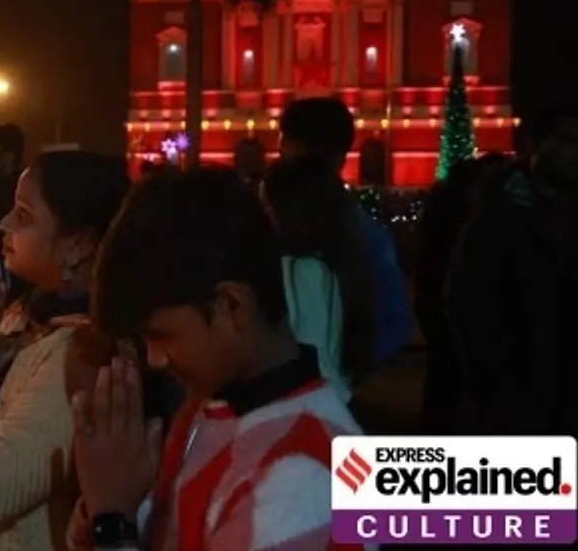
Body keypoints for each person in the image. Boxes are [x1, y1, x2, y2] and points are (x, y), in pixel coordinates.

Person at [74, 167, 362, 550]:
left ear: (232, 307)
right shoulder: (211, 406)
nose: (155, 359)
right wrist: (107, 498)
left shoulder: (304, 477)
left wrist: (111, 522)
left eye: (162, 336)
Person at [0, 151, 132, 550]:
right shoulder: (27, 314)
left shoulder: (85, 355)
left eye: (23, 216)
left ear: (76, 245)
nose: (3, 224)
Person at [446, 105, 578, 437]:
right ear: (533, 145)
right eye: (565, 141)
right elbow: (467, 308)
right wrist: (495, 385)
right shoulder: (495, 220)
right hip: (517, 407)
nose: (576, 153)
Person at [278, 97, 409, 362]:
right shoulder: (368, 235)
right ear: (342, 157)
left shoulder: (263, 226)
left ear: (286, 146)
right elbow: (392, 327)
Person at [261, 155, 377, 402]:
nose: (263, 215)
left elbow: (314, 354)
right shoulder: (337, 262)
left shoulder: (303, 271)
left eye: (268, 206)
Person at [411, 153, 506, 433]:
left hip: (437, 305)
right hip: (457, 311)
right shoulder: (478, 222)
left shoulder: (448, 211)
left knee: (443, 377)